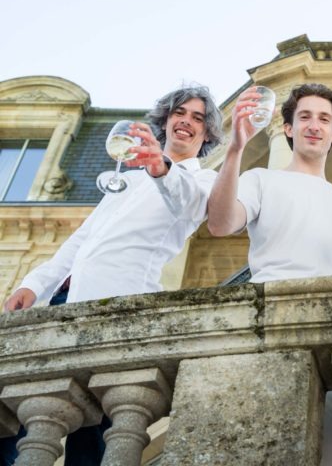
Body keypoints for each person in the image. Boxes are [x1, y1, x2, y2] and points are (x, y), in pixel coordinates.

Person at [1, 85, 224, 465]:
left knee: (93, 440)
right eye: (179, 113)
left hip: (118, 308)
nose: (186, 121)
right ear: (166, 120)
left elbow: (186, 203)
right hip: (64, 302)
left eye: (198, 118)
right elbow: (81, 240)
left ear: (206, 135)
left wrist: (161, 167)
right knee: (27, 416)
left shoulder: (201, 181)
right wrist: (33, 284)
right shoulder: (128, 178)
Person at [206, 82, 332, 465]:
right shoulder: (262, 179)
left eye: (324, 119)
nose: (314, 125)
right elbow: (221, 223)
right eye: (304, 116)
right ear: (288, 128)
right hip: (269, 326)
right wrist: (237, 148)